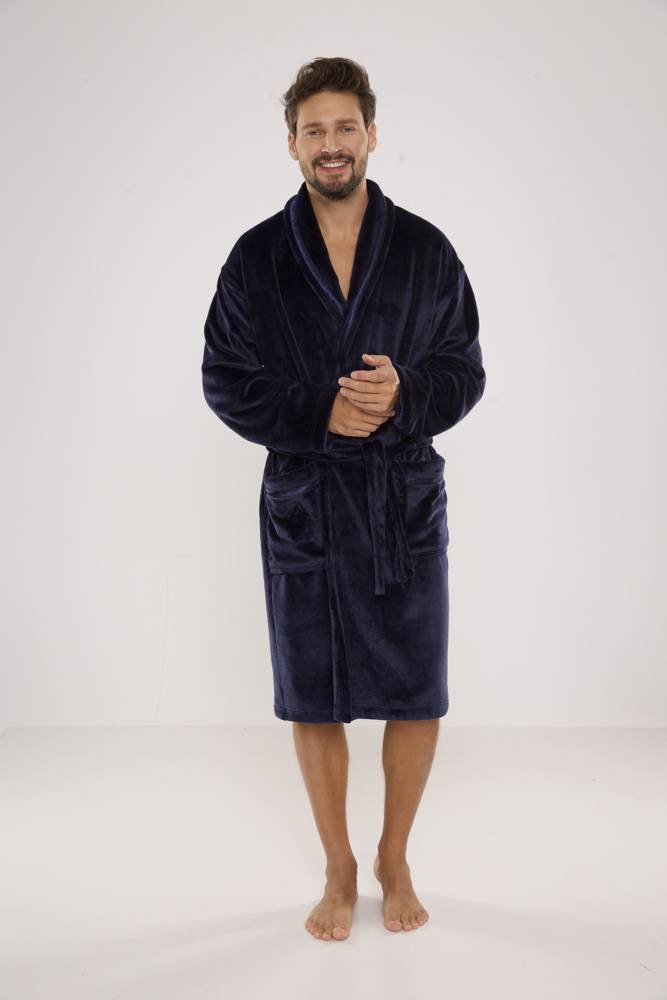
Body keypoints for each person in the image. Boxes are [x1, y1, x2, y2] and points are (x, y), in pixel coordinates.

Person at [201, 56, 486, 942]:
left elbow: (465, 369)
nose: (331, 144)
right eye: (314, 130)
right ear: (292, 144)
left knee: (416, 691)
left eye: (345, 127)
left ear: (371, 135)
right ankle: (337, 864)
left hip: (400, 502)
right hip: (307, 504)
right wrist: (315, 412)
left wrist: (406, 395)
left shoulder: (425, 250)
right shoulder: (256, 257)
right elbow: (224, 378)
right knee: (312, 695)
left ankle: (393, 856)